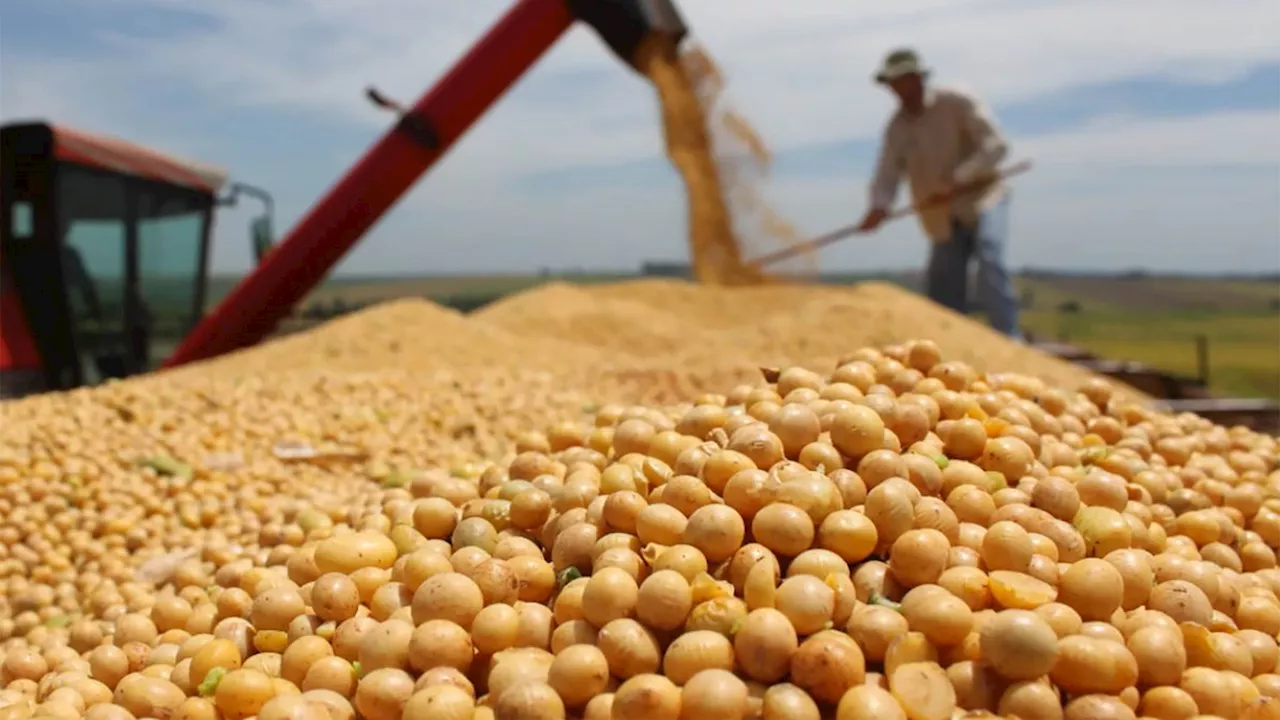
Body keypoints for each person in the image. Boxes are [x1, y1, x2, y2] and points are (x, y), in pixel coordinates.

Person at [856, 48, 1023, 340]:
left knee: (989, 255)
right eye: (893, 84)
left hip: (982, 196)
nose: (899, 89)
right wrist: (878, 206)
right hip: (940, 213)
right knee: (944, 283)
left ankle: (1009, 338)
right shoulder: (897, 128)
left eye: (904, 80)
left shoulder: (956, 102)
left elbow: (996, 146)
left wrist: (959, 179)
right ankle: (950, 348)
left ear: (919, 78)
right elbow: (887, 174)